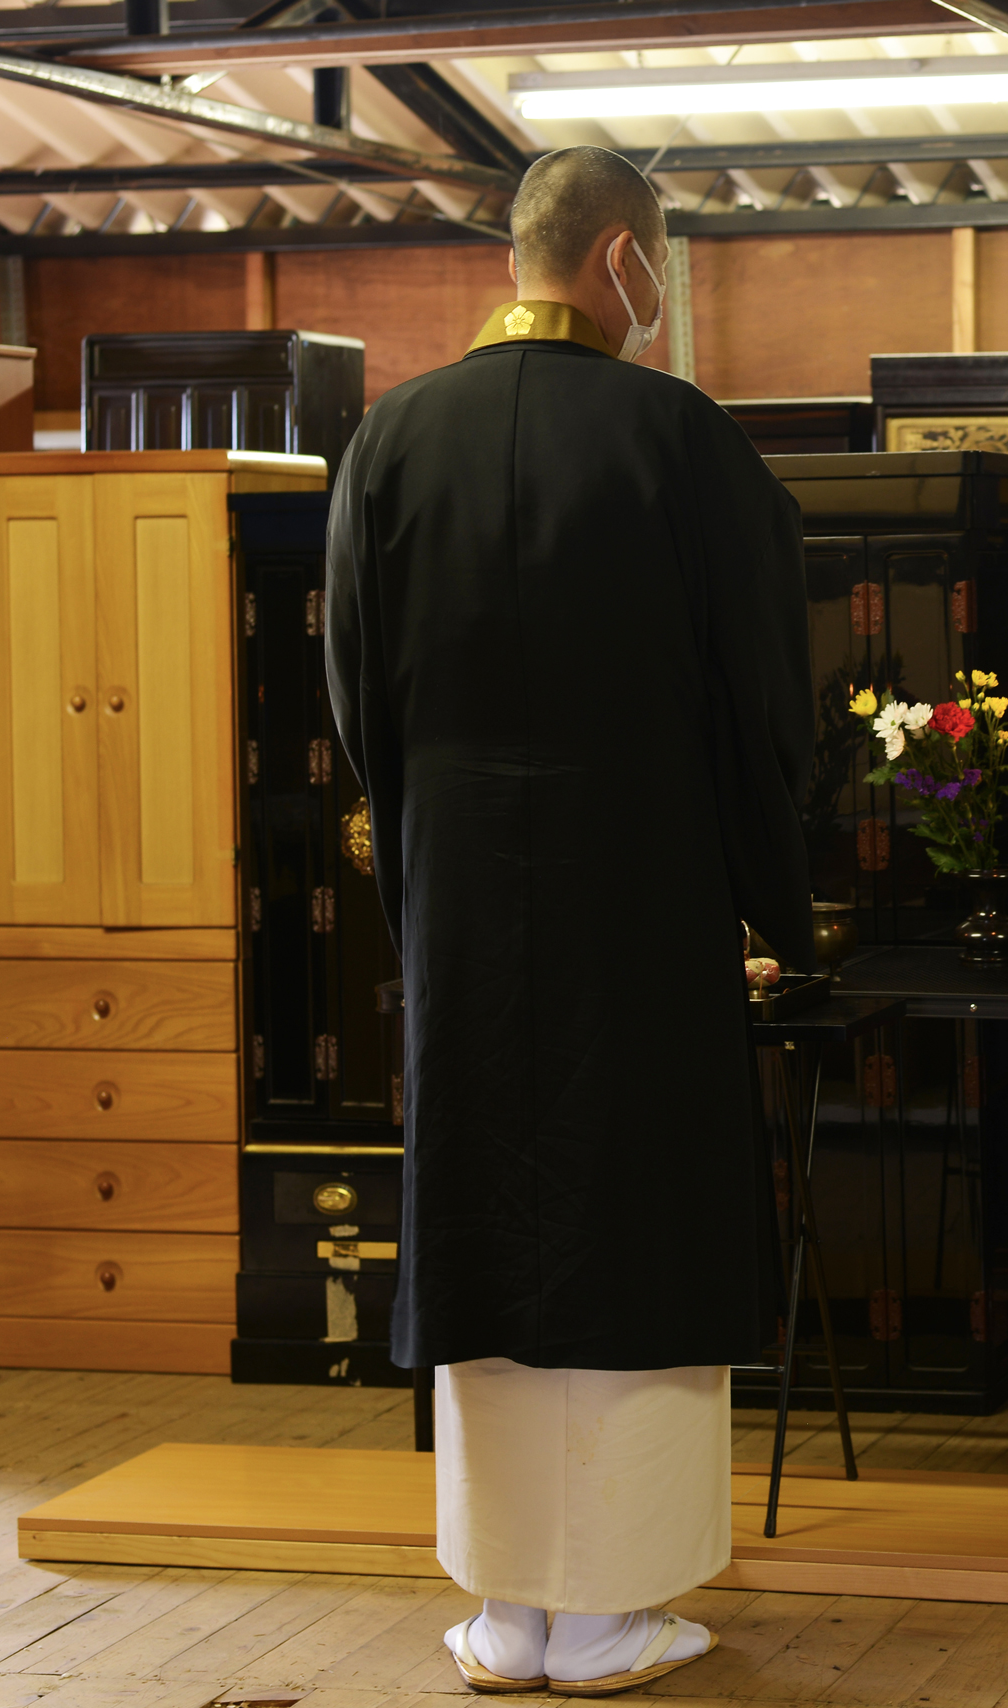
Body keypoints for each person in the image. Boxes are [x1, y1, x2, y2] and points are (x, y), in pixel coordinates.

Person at [324, 145, 813, 1697]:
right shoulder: (683, 443)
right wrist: (769, 893)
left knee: (486, 1207)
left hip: (462, 886)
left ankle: (507, 1609)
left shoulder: (390, 441)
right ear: (621, 259)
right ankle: (609, 1612)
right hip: (643, 877)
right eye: (659, 260)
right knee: (633, 1203)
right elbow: (762, 702)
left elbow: (354, 702)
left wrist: (420, 860)